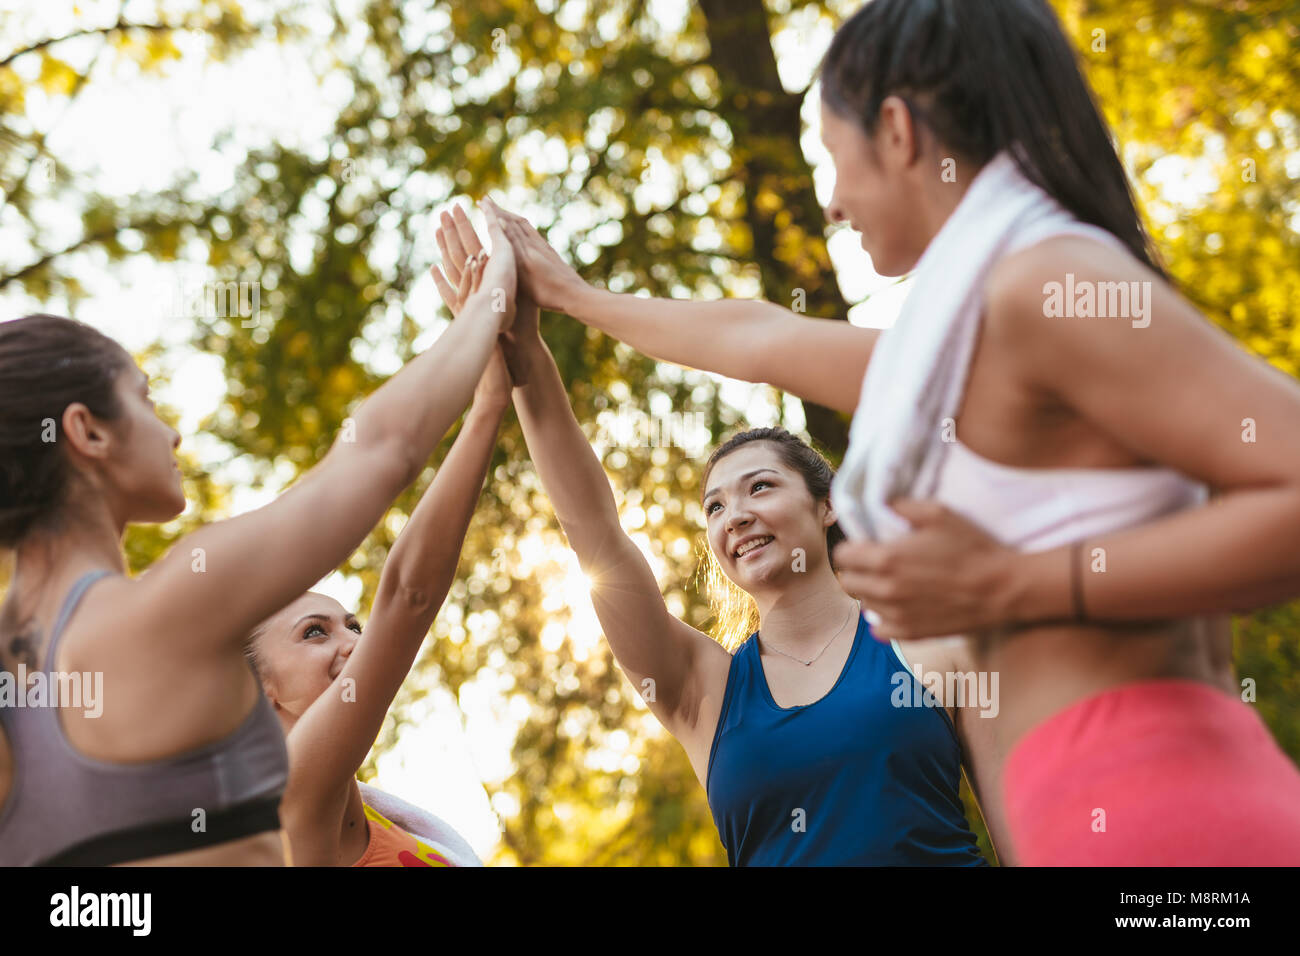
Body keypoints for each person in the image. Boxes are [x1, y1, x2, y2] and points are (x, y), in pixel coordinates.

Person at [480, 0, 1300, 865]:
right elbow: (757, 338)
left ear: (900, 131)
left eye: (835, 159)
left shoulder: (1041, 285)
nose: (831, 203)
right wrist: (569, 300)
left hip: (1165, 820)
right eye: (716, 502)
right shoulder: (972, 346)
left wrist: (1009, 584)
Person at [436, 209, 990, 865]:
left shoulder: (929, 636)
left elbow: (1024, 830)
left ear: (829, 506)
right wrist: (522, 348)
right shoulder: (704, 689)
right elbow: (596, 535)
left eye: (760, 488)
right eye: (715, 507)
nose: (735, 517)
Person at [0, 203, 517, 865]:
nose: (172, 433)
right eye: (145, 399)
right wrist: (494, 295)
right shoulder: (166, 608)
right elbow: (381, 453)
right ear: (87, 431)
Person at [244, 246, 504, 867]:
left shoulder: (388, 820)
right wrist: (489, 399)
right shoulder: (286, 802)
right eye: (313, 633)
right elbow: (408, 599)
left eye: (351, 624)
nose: (356, 642)